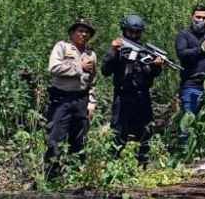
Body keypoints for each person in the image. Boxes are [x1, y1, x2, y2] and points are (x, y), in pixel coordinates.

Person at [101, 14, 163, 164]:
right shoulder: (118, 48)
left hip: (142, 97)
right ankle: (113, 167)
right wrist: (113, 51)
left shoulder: (145, 50)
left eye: (137, 32)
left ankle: (142, 166)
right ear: (124, 30)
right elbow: (105, 70)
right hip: (122, 97)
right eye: (130, 32)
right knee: (118, 133)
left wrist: (157, 65)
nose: (134, 35)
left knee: (145, 132)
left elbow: (154, 74)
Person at [45, 18, 98, 179]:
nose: (83, 34)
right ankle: (51, 179)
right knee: (56, 139)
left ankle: (76, 177)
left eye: (87, 32)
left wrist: (92, 102)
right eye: (80, 31)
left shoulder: (91, 54)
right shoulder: (62, 47)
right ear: (72, 33)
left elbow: (93, 80)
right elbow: (53, 68)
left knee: (79, 140)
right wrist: (78, 66)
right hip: (61, 99)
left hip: (81, 100)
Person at [174, 4, 205, 145]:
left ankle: (202, 151)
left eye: (203, 18)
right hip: (190, 85)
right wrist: (200, 49)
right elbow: (182, 54)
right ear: (192, 17)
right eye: (198, 17)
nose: (200, 20)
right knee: (188, 119)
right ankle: (184, 151)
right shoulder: (184, 35)